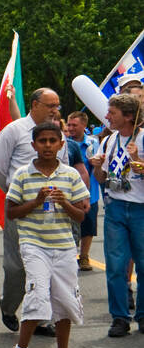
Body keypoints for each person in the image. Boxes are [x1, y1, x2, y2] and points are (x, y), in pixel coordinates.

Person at [5, 123, 89, 348]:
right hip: (34, 245)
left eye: (53, 141)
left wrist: (64, 202)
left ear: (62, 145)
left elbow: (80, 215)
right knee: (38, 295)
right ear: (34, 145)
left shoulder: (70, 175)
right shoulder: (23, 174)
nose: (48, 145)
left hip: (63, 246)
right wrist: (35, 202)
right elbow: (11, 212)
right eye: (43, 141)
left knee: (64, 301)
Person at [0, 88, 67, 333]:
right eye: (50, 105)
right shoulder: (13, 130)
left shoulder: (57, 134)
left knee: (47, 264)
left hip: (50, 209)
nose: (55, 110)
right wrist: (17, 194)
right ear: (34, 105)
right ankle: (9, 305)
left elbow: (61, 167)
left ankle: (41, 318)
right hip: (20, 207)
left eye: (57, 105)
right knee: (16, 266)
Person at [89, 93, 144, 337]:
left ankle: (142, 316)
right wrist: (96, 166)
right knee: (116, 265)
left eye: (112, 113)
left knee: (143, 265)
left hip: (141, 209)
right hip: (116, 208)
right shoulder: (109, 141)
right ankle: (120, 317)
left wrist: (136, 160)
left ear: (129, 116)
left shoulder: (142, 139)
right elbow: (102, 180)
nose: (107, 116)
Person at [65, 110, 100, 272]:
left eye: (74, 125)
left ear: (84, 125)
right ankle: (69, 256)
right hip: (67, 193)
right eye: (69, 125)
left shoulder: (93, 143)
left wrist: (97, 162)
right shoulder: (63, 143)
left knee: (88, 225)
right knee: (69, 225)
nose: (71, 128)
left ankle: (84, 256)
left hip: (89, 192)